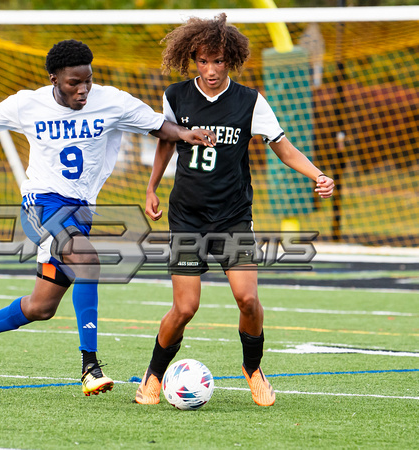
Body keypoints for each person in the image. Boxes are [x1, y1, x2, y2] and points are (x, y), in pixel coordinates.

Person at [0, 39, 216, 396]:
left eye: (87, 80)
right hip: (40, 207)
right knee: (87, 260)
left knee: (41, 307)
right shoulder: (27, 104)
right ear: (54, 78)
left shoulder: (112, 101)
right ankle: (90, 367)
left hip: (80, 213)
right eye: (73, 83)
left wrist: (185, 134)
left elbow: (159, 127)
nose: (83, 89)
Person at [134, 14, 335, 407]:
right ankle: (154, 374)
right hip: (187, 217)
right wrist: (151, 187)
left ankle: (253, 369)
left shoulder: (250, 101)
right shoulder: (176, 96)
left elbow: (283, 146)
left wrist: (318, 174)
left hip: (233, 216)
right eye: (203, 61)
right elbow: (166, 143)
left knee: (247, 300)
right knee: (185, 307)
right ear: (192, 58)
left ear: (233, 60)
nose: (210, 70)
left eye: (219, 61)